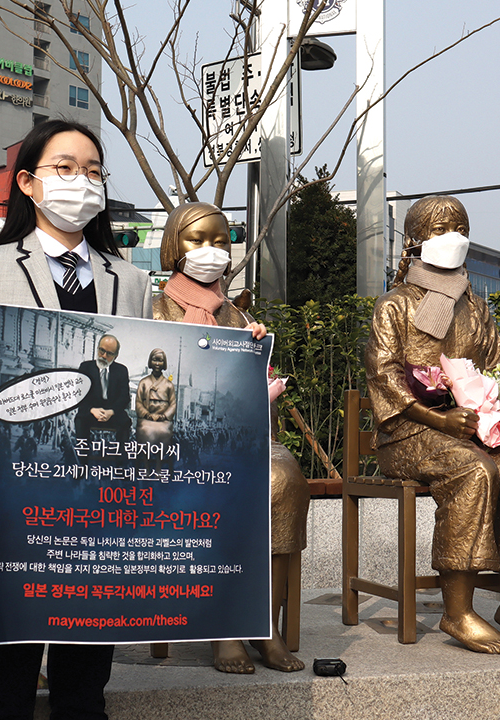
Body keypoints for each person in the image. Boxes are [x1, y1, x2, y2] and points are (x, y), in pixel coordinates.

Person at [0, 119, 151, 720]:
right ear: (29, 184)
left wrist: (239, 354)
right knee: (10, 653)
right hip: (21, 487)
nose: (81, 184)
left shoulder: (131, 279)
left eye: (93, 172)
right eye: (65, 169)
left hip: (105, 482)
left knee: (88, 654)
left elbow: (148, 375)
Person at [364, 195, 500, 654]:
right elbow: (384, 376)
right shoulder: (394, 306)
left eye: (460, 229)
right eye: (440, 230)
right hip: (409, 432)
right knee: (474, 471)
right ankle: (458, 611)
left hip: (473, 428)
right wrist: (439, 418)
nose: (453, 239)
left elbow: (497, 367)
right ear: (413, 241)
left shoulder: (477, 308)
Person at [152, 202, 306, 674]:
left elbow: (252, 388)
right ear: (175, 246)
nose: (211, 251)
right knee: (215, 484)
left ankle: (265, 625)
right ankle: (224, 627)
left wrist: (256, 355)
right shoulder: (155, 306)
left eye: (220, 241)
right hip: (178, 443)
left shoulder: (237, 313)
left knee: (285, 479)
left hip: (243, 439)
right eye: (198, 241)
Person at [75, 334, 132, 444]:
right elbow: (79, 395)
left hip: (112, 412)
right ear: (97, 348)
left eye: (109, 353)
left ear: (116, 355)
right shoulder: (85, 367)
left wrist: (111, 411)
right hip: (91, 412)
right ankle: (83, 459)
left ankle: (120, 459)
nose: (104, 356)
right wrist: (92, 410)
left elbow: (124, 397)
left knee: (125, 422)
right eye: (101, 351)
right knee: (80, 420)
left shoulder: (121, 370)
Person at [134, 348, 176, 443]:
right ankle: (144, 456)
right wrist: (147, 414)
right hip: (146, 420)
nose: (157, 364)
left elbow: (173, 405)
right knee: (144, 430)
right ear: (150, 362)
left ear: (164, 363)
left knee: (164, 432)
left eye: (160, 361)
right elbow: (138, 402)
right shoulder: (143, 382)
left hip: (163, 421)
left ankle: (161, 456)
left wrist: (163, 416)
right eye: (154, 360)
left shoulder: (169, 385)